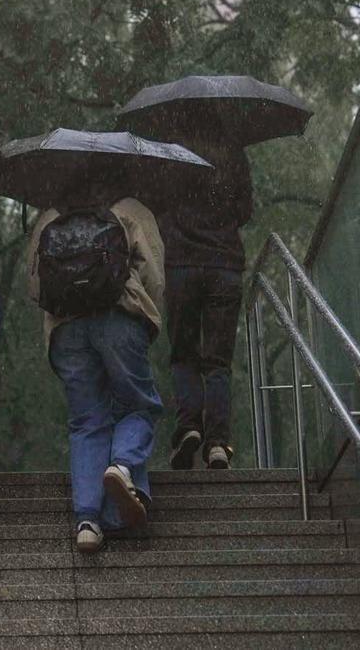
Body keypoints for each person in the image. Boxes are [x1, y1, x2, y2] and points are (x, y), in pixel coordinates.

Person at [27, 177, 165, 553]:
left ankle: (88, 521)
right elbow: (153, 275)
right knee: (138, 405)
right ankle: (122, 467)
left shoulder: (50, 216)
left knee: (87, 421)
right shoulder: (131, 208)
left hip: (66, 328)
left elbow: (37, 285)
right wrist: (145, 321)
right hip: (119, 318)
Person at [157, 137, 252, 470]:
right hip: (224, 265)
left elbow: (157, 209)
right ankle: (217, 443)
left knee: (184, 354)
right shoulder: (233, 153)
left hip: (181, 265)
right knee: (218, 361)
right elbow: (245, 210)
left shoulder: (170, 154)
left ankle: (189, 428)